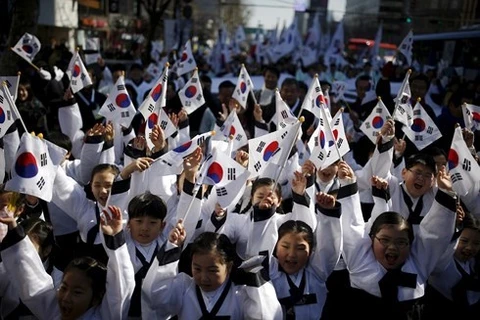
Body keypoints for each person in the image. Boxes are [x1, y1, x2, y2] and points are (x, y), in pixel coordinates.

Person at [336, 160, 457, 320]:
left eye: (401, 242)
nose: (392, 248)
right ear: (372, 239)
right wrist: (348, 183)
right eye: (385, 240)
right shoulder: (360, 259)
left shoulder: (418, 263)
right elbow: (351, 226)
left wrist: (446, 193)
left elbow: (435, 234)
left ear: (410, 244)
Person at [0, 205, 135, 319]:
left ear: (96, 298)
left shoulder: (105, 316)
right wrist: (14, 230)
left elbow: (121, 287)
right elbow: (33, 281)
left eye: (77, 292)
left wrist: (116, 242)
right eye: (63, 288)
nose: (66, 297)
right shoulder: (54, 312)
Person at [141, 224, 283, 319]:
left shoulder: (240, 294)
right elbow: (155, 297)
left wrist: (254, 281)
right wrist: (172, 248)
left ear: (228, 266)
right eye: (197, 268)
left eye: (212, 270)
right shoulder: (183, 287)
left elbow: (266, 315)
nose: (204, 277)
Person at [269, 192, 342, 318]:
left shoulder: (316, 272)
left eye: (300, 248)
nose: (291, 255)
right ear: (275, 247)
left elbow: (329, 249)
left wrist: (327, 215)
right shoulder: (270, 274)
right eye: (285, 246)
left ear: (311, 251)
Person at [423, 213, 480, 319]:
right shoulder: (442, 262)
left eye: (476, 243)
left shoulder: (474, 265)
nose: (469, 247)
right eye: (464, 241)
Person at [0, 218, 57, 318]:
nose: (22, 252)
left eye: (28, 248)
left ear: (47, 250)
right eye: (21, 246)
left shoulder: (58, 279)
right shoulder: (7, 267)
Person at [126, 192, 167, 318]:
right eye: (139, 221)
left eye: (152, 223)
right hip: (129, 312)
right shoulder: (122, 246)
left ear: (162, 226)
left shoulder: (166, 246)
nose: (145, 228)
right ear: (128, 223)